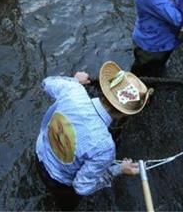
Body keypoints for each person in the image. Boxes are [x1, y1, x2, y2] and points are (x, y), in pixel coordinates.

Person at [35, 61, 146, 210]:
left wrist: (76, 81)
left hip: (40, 154)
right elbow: (81, 187)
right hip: (59, 181)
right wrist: (119, 170)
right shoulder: (105, 147)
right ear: (124, 113)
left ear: (106, 88)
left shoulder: (73, 90)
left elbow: (46, 83)